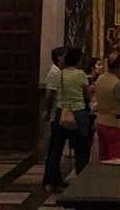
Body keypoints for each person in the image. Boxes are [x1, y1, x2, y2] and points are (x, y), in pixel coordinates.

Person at [42, 47, 91, 191]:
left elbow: (52, 93)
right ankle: (82, 181)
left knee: (56, 149)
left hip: (62, 113)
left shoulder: (60, 74)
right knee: (81, 149)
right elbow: (87, 95)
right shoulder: (81, 74)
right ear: (78, 60)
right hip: (78, 113)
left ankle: (49, 182)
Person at [94, 51, 120, 162]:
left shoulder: (100, 79)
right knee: (115, 159)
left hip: (101, 121)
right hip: (114, 124)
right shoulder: (118, 85)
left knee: (103, 157)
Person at [42, 47, 66, 193]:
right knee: (55, 149)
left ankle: (55, 178)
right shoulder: (55, 72)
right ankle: (50, 180)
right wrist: (46, 110)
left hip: (57, 113)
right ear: (59, 58)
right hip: (55, 114)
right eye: (64, 56)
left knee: (56, 148)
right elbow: (50, 94)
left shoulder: (58, 72)